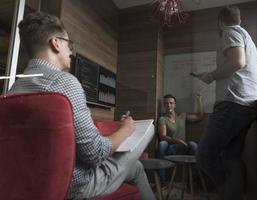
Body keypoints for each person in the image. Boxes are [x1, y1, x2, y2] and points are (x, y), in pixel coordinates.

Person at [8, 12, 155, 200]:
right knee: (149, 129)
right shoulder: (65, 82)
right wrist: (126, 129)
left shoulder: (14, 90)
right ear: (56, 43)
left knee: (136, 168)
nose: (71, 51)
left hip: (29, 182)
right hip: (76, 185)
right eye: (69, 44)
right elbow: (95, 153)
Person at [192, 6, 257, 200]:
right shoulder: (250, 44)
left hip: (232, 104)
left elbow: (237, 62)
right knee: (231, 157)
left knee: (204, 156)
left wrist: (211, 76)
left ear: (220, 22)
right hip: (247, 107)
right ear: (239, 19)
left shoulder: (230, 31)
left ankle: (228, 192)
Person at [157, 93, 204, 184]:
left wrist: (199, 100)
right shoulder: (163, 119)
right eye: (166, 103)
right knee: (162, 144)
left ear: (175, 105)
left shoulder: (182, 116)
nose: (168, 105)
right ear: (164, 105)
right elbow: (162, 136)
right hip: (171, 148)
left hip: (183, 147)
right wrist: (176, 141)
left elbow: (199, 116)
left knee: (193, 145)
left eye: (171, 103)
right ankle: (162, 181)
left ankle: (192, 181)